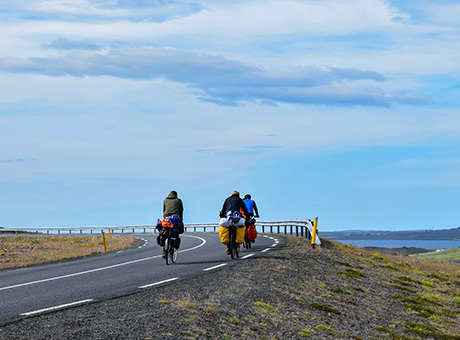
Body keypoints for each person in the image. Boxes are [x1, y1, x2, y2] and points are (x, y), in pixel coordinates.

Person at [159, 190, 184, 257]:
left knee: (165, 232)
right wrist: (181, 218)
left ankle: (164, 251)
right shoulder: (178, 200)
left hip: (166, 218)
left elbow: (164, 210)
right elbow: (181, 210)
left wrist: (165, 216)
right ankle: (173, 246)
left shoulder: (165, 200)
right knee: (176, 231)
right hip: (174, 218)